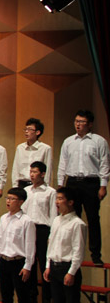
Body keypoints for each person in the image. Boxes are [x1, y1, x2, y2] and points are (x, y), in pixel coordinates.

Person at [57, 109, 108, 265]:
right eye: (76, 121)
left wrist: (103, 185)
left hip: (91, 182)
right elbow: (63, 163)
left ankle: (95, 254)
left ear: (90, 124)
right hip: (72, 182)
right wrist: (60, 184)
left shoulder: (99, 141)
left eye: (82, 122)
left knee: (93, 218)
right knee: (72, 218)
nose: (78, 124)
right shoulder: (68, 141)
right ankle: (73, 253)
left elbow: (104, 164)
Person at [40, 187, 87, 303]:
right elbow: (51, 244)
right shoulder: (56, 221)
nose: (57, 202)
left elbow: (78, 251)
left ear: (70, 202)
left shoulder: (78, 224)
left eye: (60, 199)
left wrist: (72, 272)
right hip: (54, 266)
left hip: (68, 268)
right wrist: (48, 266)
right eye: (57, 199)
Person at [23, 161, 57, 303]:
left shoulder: (50, 192)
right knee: (29, 263)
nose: (31, 175)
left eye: (35, 172)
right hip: (28, 229)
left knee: (44, 264)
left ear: (43, 174)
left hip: (43, 229)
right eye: (30, 171)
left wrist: (52, 235)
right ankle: (31, 297)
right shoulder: (26, 190)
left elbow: (53, 215)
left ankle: (47, 299)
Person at [12, 117, 52, 189]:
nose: (26, 131)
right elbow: (16, 168)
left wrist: (46, 187)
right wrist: (15, 186)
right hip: (22, 184)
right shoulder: (20, 148)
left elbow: (48, 170)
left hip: (37, 184)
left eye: (30, 129)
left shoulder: (45, 148)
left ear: (37, 132)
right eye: (26, 129)